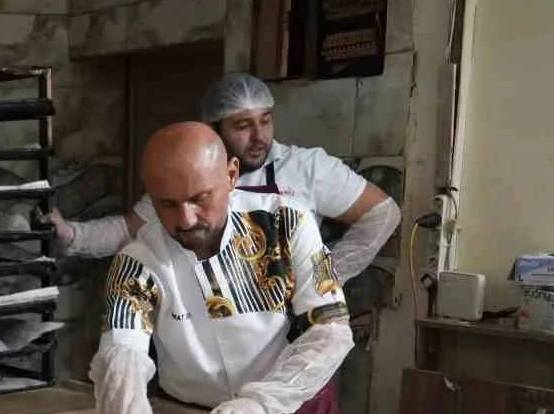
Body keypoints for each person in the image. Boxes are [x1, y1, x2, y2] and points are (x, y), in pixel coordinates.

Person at [93, 124, 354, 414]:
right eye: (167, 204)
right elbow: (121, 356)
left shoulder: (286, 224)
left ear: (231, 175)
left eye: (200, 199)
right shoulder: (137, 262)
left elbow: (330, 329)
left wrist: (263, 400)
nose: (185, 219)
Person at [52, 73, 401, 282]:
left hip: (289, 332)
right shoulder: (188, 174)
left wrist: (325, 278)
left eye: (265, 120)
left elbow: (382, 213)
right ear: (213, 128)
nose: (260, 136)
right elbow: (126, 231)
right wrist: (72, 235)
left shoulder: (308, 168)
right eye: (243, 125)